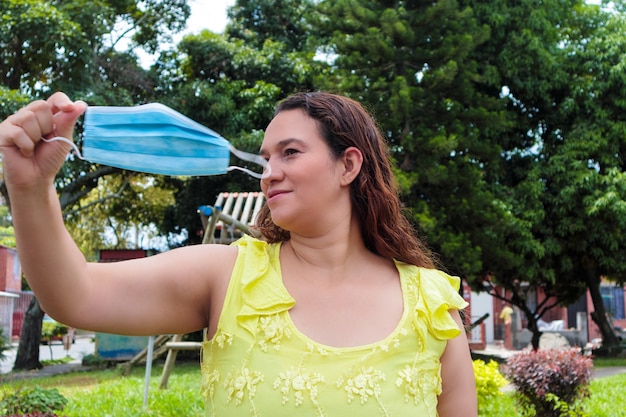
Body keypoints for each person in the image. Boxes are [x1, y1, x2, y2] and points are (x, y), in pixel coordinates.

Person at [0, 91, 477, 416]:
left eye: (290, 153)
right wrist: (29, 185)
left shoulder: (431, 304)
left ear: (349, 164)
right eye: (266, 158)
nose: (269, 172)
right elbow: (75, 295)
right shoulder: (226, 273)